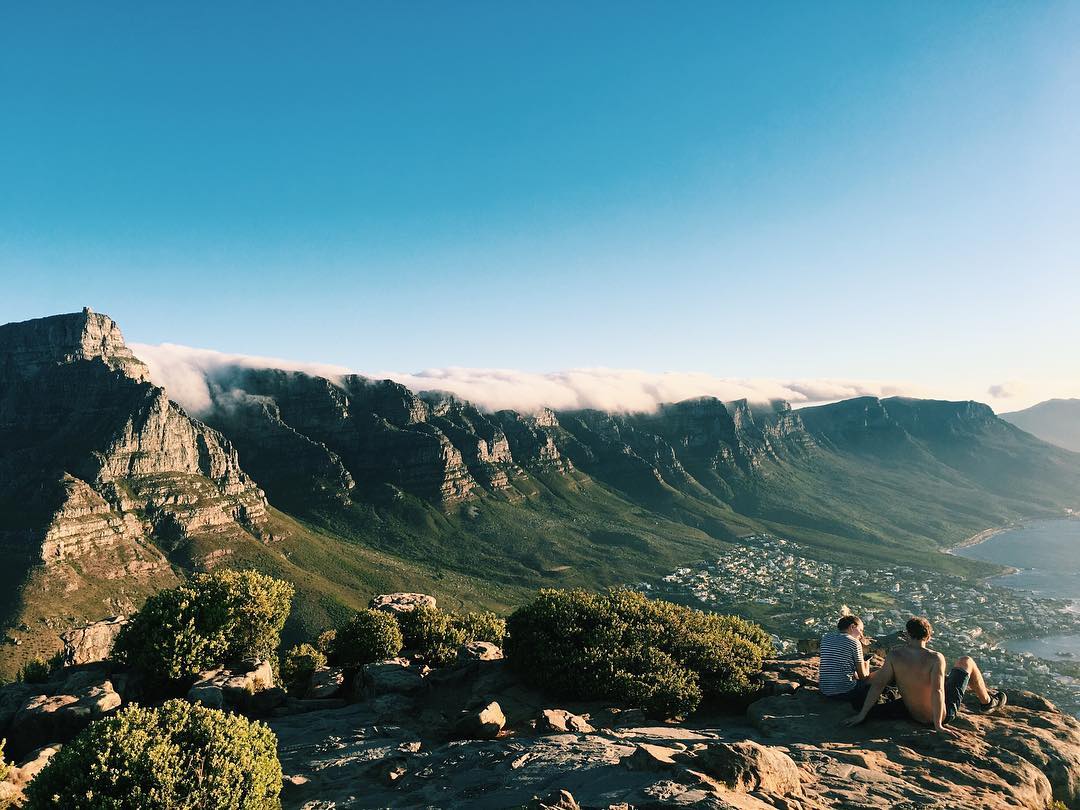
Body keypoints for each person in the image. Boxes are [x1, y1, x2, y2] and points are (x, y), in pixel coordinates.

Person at [842, 616, 1007, 735]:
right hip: (941, 716)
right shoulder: (935, 657)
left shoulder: (895, 656)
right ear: (928, 636)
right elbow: (937, 691)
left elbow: (878, 685)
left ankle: (987, 702)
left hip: (912, 713)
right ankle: (988, 703)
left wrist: (862, 715)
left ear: (907, 635)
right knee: (966, 661)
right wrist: (938, 725)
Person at [819, 615, 875, 710]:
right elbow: (863, 677)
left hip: (825, 690)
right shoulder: (854, 642)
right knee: (876, 679)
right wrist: (866, 664)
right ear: (852, 626)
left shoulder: (826, 638)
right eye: (861, 630)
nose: (861, 634)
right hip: (845, 692)